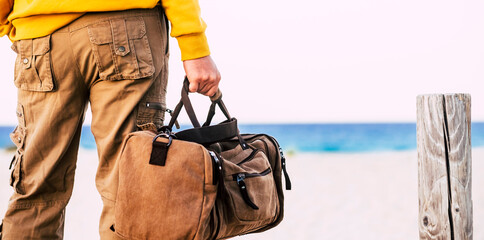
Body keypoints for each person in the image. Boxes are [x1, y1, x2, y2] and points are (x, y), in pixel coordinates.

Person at [0, 0, 221, 239]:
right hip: (126, 28)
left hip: (41, 37)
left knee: (35, 189)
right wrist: (194, 45)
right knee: (128, 188)